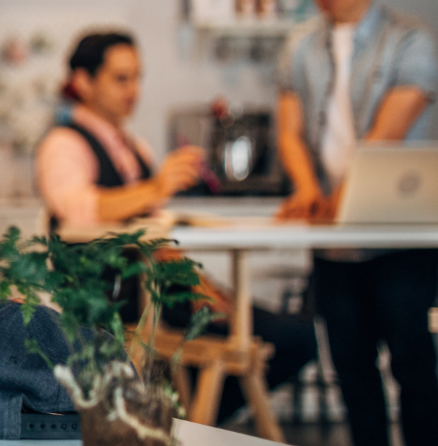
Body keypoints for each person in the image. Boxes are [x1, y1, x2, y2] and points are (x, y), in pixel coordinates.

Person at [35, 31, 315, 421]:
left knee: (290, 334)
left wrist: (197, 281)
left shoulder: (136, 146)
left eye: (137, 77)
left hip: (157, 289)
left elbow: (152, 230)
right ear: (83, 82)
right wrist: (156, 188)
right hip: (112, 297)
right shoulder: (63, 144)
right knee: (293, 338)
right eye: (121, 78)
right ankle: (188, 417)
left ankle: (187, 414)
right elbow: (75, 211)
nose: (134, 89)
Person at [273, 0, 437, 446]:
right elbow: (290, 129)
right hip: (331, 238)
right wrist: (306, 188)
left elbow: (385, 135)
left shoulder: (409, 41)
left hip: (396, 233)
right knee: (350, 366)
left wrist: (335, 198)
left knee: (413, 365)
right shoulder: (300, 45)